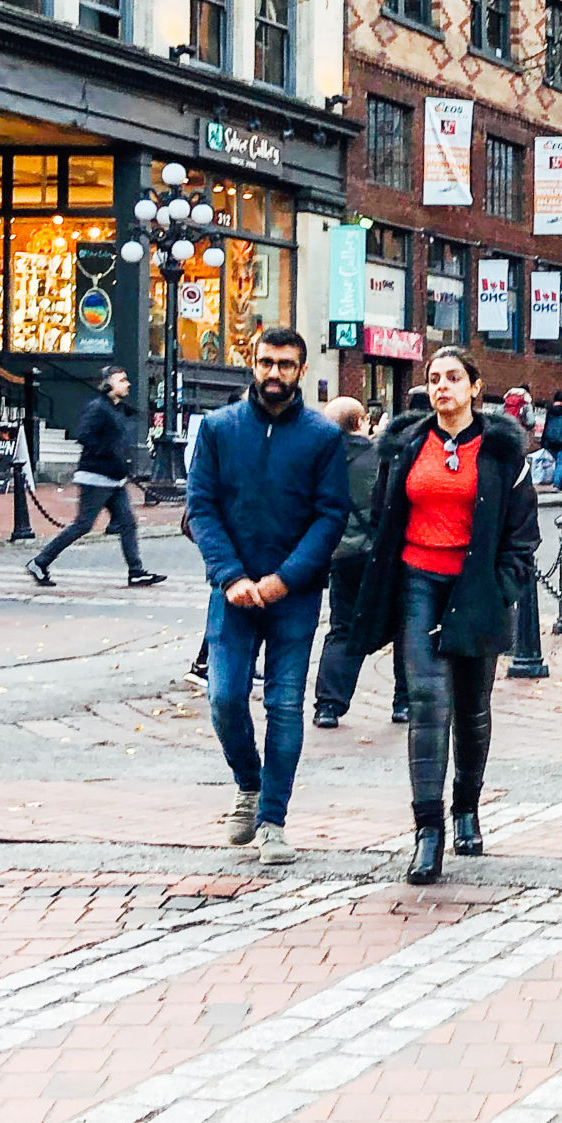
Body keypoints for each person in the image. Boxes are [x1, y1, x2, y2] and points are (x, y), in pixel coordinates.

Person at [355, 345, 539, 886]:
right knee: (427, 702)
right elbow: (381, 514)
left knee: (472, 707)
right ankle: (427, 832)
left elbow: (522, 535)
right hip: (418, 580)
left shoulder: (504, 451)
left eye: (454, 378)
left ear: (475, 387)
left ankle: (467, 809)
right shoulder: (408, 445)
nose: (442, 388)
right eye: (434, 379)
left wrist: (501, 586)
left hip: (476, 586)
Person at [185, 329, 351, 864]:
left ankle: (274, 820)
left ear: (301, 370)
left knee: (284, 705)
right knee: (224, 696)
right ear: (251, 365)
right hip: (230, 593)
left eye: (285, 364)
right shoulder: (218, 429)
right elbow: (201, 508)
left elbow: (331, 516)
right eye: (265, 363)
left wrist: (286, 578)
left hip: (294, 595)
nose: (274, 373)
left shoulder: (322, 438)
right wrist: (230, 576)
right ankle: (248, 783)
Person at [25, 367, 165, 590]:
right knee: (83, 525)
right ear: (108, 385)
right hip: (96, 477)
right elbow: (84, 436)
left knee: (128, 523)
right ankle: (40, 562)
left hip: (114, 479)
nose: (127, 384)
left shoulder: (117, 409)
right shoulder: (98, 408)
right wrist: (109, 455)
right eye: (122, 380)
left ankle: (136, 572)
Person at [311, 399, 387, 728]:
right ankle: (402, 702)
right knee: (400, 625)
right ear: (360, 422)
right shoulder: (379, 458)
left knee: (342, 629)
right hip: (377, 555)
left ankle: (328, 705)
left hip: (340, 556)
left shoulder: (318, 461)